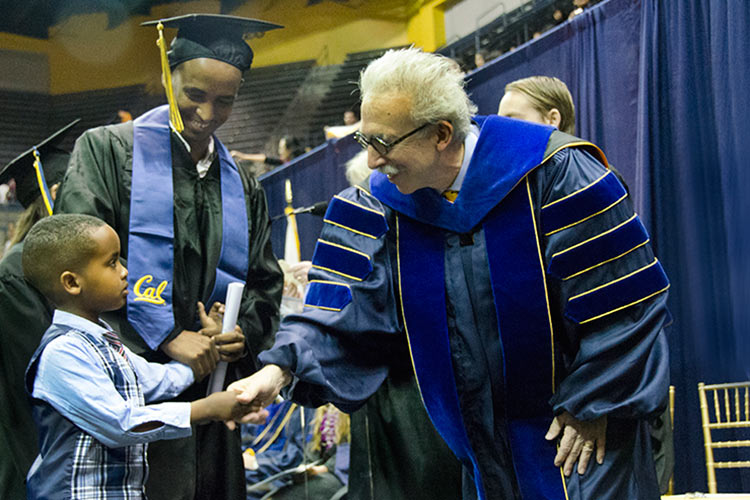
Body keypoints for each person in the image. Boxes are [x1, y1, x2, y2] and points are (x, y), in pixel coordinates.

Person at [229, 47, 671, 499]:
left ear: (441, 133)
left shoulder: (555, 173)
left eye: (384, 143)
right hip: (480, 452)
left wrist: (595, 402)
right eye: (366, 141)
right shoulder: (380, 207)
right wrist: (278, 371)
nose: (374, 161)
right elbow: (340, 310)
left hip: (579, 441)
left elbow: (624, 301)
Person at [54, 14, 285, 500]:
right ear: (168, 77)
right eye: (195, 95)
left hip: (215, 395)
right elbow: (74, 273)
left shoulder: (242, 183)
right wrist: (163, 334)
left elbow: (266, 285)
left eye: (225, 101)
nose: (208, 113)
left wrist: (239, 335)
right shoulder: (106, 153)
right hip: (132, 394)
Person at [499, 74, 673, 493]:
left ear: (552, 118)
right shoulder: (526, 190)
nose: (499, 129)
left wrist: (594, 400)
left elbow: (622, 306)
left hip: (605, 401)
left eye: (512, 118)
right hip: (567, 406)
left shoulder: (581, 178)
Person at [21, 214, 254, 499]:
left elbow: (161, 380)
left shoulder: (106, 342)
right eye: (112, 263)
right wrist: (205, 409)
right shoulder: (62, 353)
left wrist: (211, 348)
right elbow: (122, 424)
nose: (125, 272)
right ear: (72, 282)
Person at [0, 120, 79, 500]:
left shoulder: (73, 262)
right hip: (36, 449)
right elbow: (32, 377)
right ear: (55, 195)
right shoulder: (17, 271)